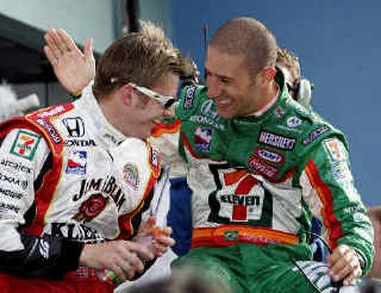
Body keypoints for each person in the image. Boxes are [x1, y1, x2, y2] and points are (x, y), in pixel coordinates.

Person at [44, 17, 374, 292]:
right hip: (211, 263)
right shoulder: (195, 109)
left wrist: (354, 251)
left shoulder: (313, 137)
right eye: (210, 76)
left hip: (281, 267)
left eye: (226, 81)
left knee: (343, 287)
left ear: (267, 78)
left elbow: (351, 216)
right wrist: (88, 90)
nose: (212, 91)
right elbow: (129, 127)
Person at [0, 22, 185, 292]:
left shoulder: (146, 161)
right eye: (167, 102)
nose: (171, 113)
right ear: (130, 95)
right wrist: (82, 253)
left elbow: (113, 265)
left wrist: (139, 250)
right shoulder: (36, 136)